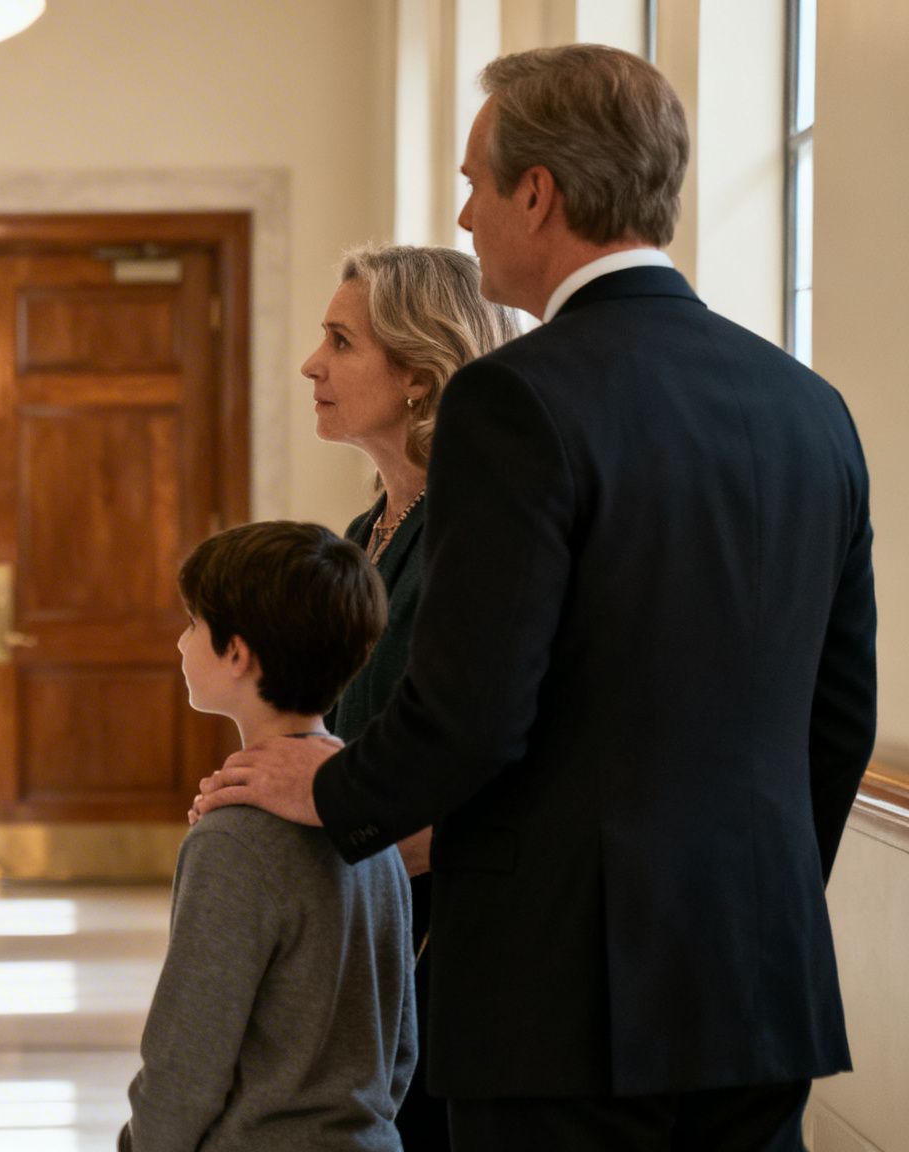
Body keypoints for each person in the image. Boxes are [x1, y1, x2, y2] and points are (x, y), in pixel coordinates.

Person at [196, 44, 874, 1151]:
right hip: (761, 978)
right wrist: (761, 903)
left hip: (564, 994)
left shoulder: (514, 399)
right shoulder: (806, 405)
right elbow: (836, 712)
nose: (462, 215)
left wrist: (327, 789)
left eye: (472, 182)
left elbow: (472, 708)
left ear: (536, 192)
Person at [302, 243, 518, 1150]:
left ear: (422, 376)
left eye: (341, 342)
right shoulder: (363, 531)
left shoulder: (476, 525)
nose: (312, 364)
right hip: (368, 902)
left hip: (457, 926)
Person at [123, 521, 414, 1151]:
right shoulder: (370, 815)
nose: (179, 643)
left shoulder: (235, 839)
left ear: (237, 652)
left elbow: (188, 1058)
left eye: (192, 625)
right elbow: (400, 1044)